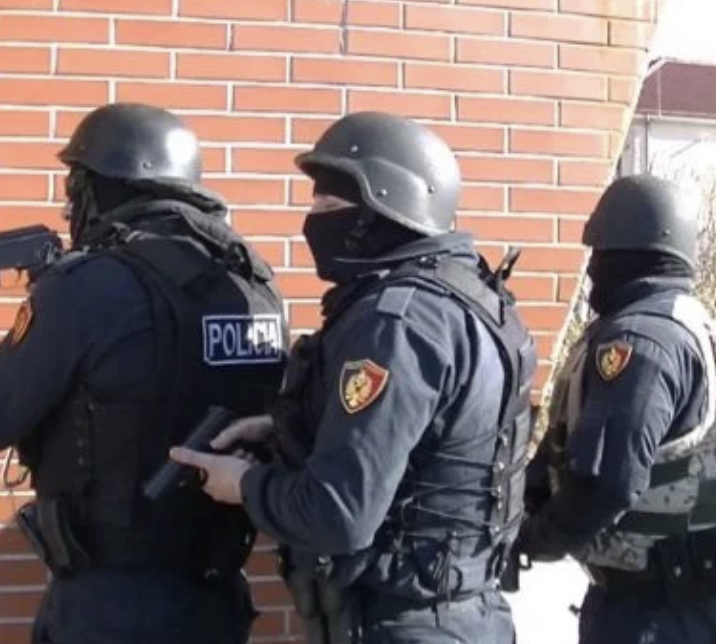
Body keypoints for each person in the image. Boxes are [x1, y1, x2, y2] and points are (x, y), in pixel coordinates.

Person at [0, 102, 289, 644]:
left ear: (103, 188)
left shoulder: (91, 284)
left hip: (111, 604)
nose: (67, 207)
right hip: (216, 595)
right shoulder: (251, 281)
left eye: (75, 189)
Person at [166, 111, 538, 644]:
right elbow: (426, 441)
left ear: (385, 209)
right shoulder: (466, 298)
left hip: (401, 624)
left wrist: (243, 484)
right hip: (462, 616)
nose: (312, 221)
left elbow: (339, 514)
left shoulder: (395, 322)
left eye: (330, 206)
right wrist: (285, 428)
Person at [518, 174, 716, 644]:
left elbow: (607, 480)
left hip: (651, 603)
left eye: (600, 253)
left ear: (627, 253)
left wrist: (535, 538)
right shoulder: (683, 321)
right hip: (663, 589)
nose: (591, 270)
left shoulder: (640, 340)